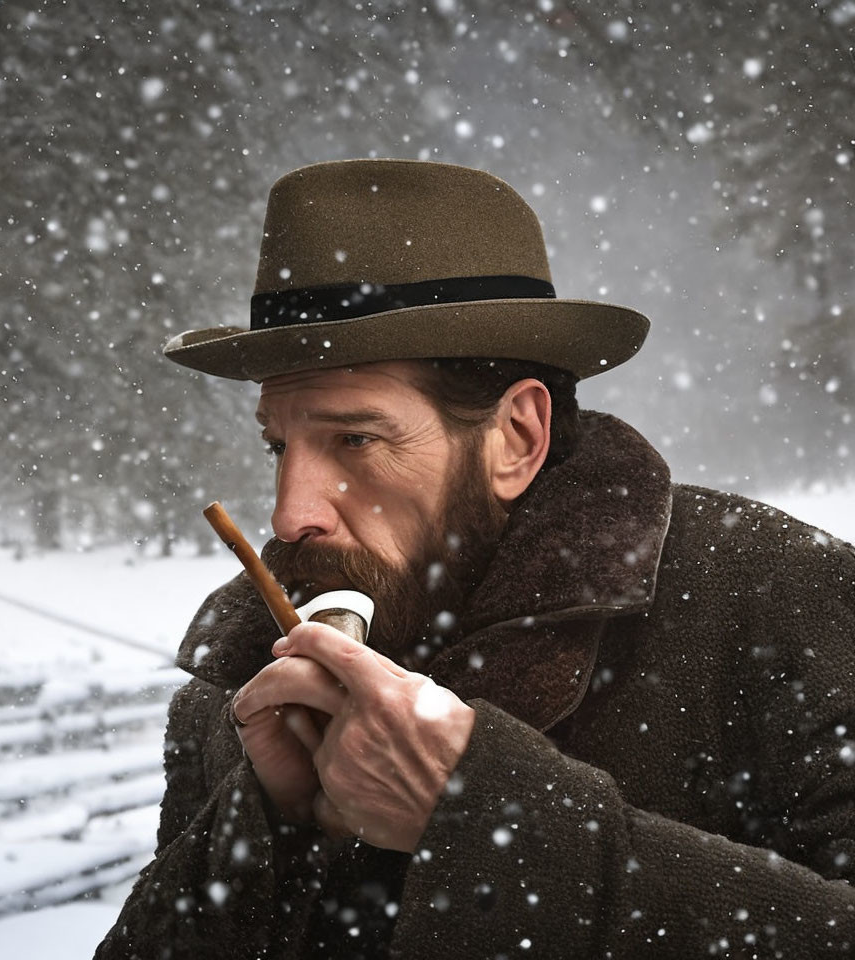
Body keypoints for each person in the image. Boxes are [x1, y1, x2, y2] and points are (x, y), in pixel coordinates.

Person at [95, 160, 855, 959]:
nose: (291, 514)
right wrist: (266, 826)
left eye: (356, 439)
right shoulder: (242, 674)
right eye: (279, 445)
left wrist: (490, 819)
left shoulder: (778, 602)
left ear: (517, 438)